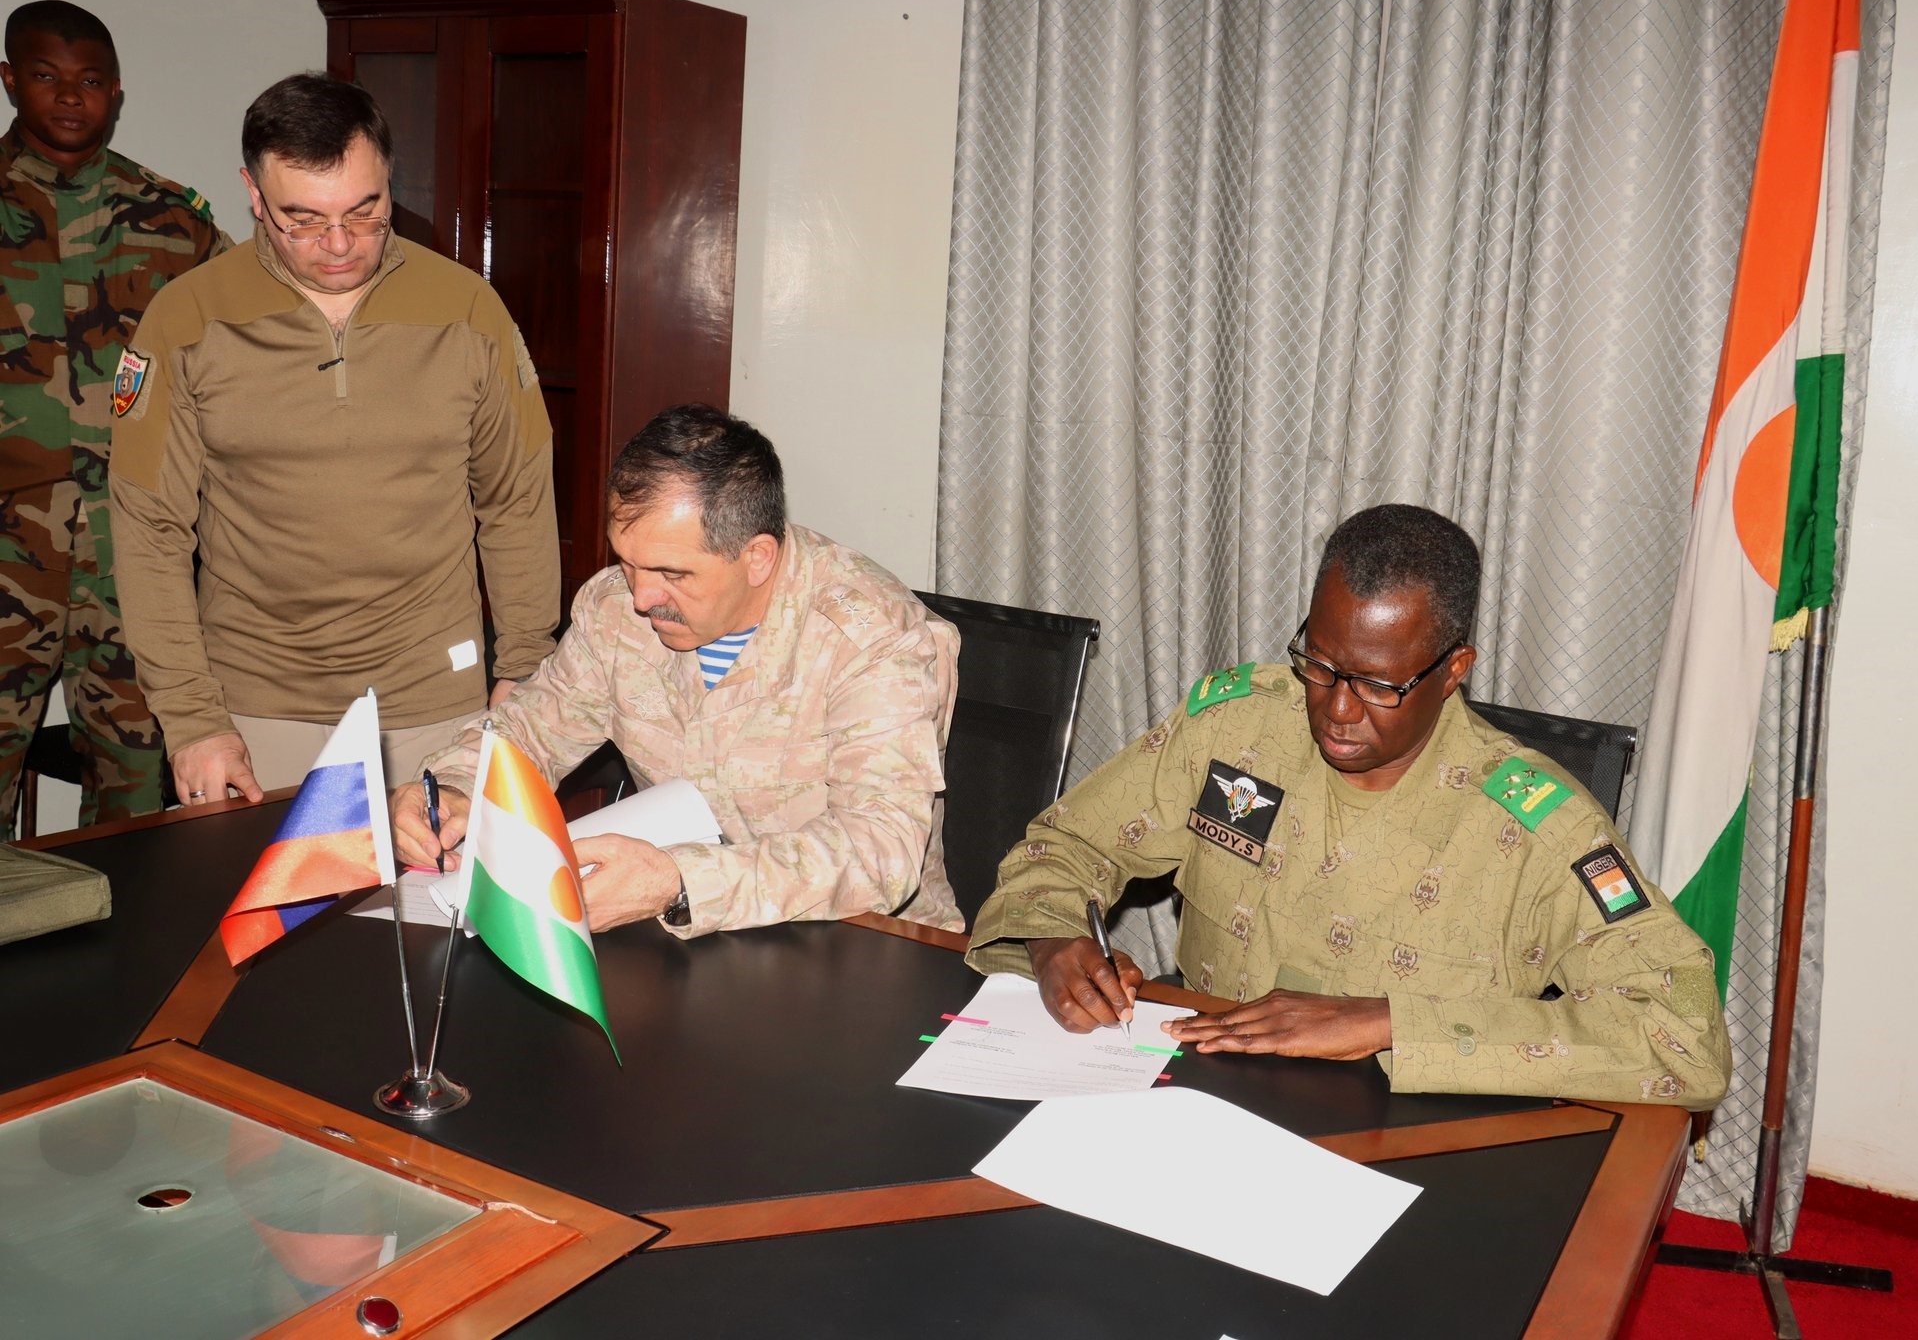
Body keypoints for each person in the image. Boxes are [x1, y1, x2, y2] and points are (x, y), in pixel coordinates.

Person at [969, 504, 1731, 1109]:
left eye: (1378, 684)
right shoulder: (1234, 730)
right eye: (1321, 664)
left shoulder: (1537, 828)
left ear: (1454, 668)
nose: (1336, 708)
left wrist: (1389, 1021)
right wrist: (1054, 936)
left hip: (1404, 1148)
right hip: (1193, 1101)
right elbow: (1065, 848)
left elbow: (1683, 1036)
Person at [109, 72, 558, 806]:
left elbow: (515, 500)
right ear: (253, 195)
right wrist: (191, 720)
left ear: (389, 180)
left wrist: (527, 668)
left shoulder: (467, 310)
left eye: (366, 209)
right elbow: (150, 528)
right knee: (263, 918)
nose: (342, 244)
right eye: (303, 219)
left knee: (438, 916)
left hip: (434, 698)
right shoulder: (186, 319)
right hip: (254, 706)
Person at [391, 404, 962, 938]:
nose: (641, 597)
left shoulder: (875, 638)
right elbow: (533, 728)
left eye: (671, 573)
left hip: (857, 944)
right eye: (626, 561)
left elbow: (880, 853)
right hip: (675, 940)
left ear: (757, 557)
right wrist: (457, 786)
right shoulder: (616, 611)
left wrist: (679, 882)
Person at [0, 0, 228, 838]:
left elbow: (246, 355)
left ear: (116, 92)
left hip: (133, 556)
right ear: (9, 80)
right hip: (5, 554)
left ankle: (126, 961)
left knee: (136, 785)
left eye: (89, 81)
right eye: (46, 77)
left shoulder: (173, 222)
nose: (69, 97)